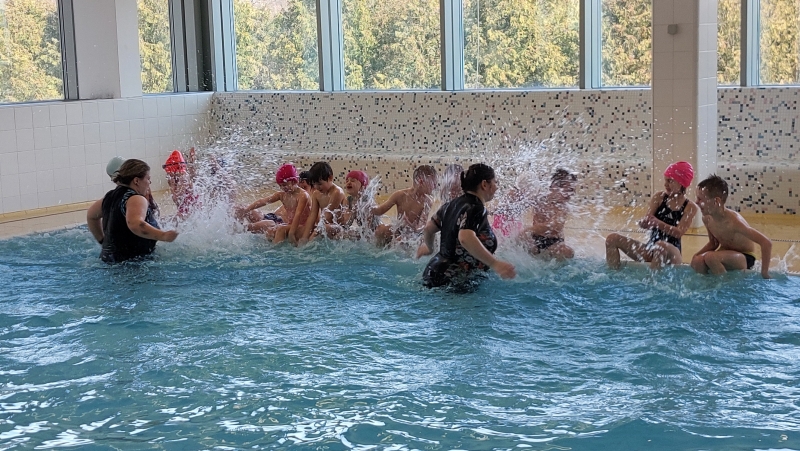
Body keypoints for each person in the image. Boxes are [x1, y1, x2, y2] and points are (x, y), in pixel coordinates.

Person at [416, 163, 516, 288]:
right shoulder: (477, 208)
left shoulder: (450, 205)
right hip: (453, 280)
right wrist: (495, 264)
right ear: (484, 184)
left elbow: (428, 229)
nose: (496, 187)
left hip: (434, 271)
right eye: (495, 182)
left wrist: (429, 248)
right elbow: (465, 237)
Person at [606, 161, 699, 269]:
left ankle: (652, 280)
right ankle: (612, 275)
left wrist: (658, 223)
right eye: (665, 180)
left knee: (660, 246)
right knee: (612, 239)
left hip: (672, 254)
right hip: (651, 249)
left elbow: (678, 233)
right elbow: (648, 220)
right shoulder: (659, 197)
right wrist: (644, 223)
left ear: (681, 183)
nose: (665, 184)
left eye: (670, 181)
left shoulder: (690, 207)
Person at [87, 159, 178, 263]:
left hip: (108, 261)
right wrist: (163, 235)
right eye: (148, 178)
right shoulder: (136, 198)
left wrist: (102, 240)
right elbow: (135, 224)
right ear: (136, 181)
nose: (150, 182)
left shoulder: (109, 196)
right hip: (134, 264)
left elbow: (91, 216)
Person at [690, 174, 772, 278]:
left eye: (700, 199)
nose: (696, 202)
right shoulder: (707, 218)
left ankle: (725, 285)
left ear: (716, 201)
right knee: (697, 261)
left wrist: (764, 273)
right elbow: (714, 243)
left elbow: (766, 242)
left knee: (711, 257)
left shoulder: (734, 222)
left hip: (745, 257)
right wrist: (696, 256)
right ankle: (707, 284)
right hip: (725, 253)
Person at [236, 164, 310, 244]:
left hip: (302, 227)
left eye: (284, 185)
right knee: (270, 231)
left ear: (293, 181)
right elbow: (263, 201)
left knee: (280, 229)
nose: (283, 188)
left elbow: (298, 215)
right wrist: (246, 210)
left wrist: (291, 233)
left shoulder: (302, 195)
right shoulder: (282, 195)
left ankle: (276, 251)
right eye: (280, 185)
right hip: (290, 224)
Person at [373, 165, 437, 247]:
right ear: (421, 182)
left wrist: (413, 227)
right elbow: (379, 211)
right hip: (399, 230)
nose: (435, 187)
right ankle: (378, 251)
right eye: (433, 183)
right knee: (381, 230)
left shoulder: (427, 201)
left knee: (428, 239)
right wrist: (368, 206)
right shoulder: (400, 195)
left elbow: (421, 226)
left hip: (415, 234)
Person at [522, 168, 579, 260]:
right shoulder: (540, 199)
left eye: (572, 190)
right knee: (520, 241)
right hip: (535, 238)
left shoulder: (562, 208)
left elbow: (555, 225)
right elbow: (520, 204)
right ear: (554, 186)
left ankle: (544, 257)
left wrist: (530, 229)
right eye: (568, 190)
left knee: (567, 252)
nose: (571, 194)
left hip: (554, 242)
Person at [298, 162, 347, 245]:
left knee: (322, 229)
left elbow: (327, 216)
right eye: (314, 184)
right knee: (304, 232)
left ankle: (308, 248)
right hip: (325, 226)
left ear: (330, 178)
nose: (317, 187)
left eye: (319, 184)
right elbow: (312, 215)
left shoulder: (337, 192)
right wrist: (304, 237)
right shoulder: (316, 194)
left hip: (339, 227)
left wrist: (311, 238)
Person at [326, 170, 380, 240]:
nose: (349, 182)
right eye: (347, 181)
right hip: (362, 231)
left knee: (344, 236)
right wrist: (353, 212)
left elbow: (368, 230)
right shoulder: (348, 200)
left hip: (373, 233)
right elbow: (346, 223)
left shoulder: (367, 202)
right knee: (334, 232)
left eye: (353, 180)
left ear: (363, 186)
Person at [163, 150, 199, 219]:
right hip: (186, 209)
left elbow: (176, 198)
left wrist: (172, 186)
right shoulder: (176, 178)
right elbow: (177, 203)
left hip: (192, 210)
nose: (168, 175)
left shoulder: (183, 178)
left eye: (169, 172)